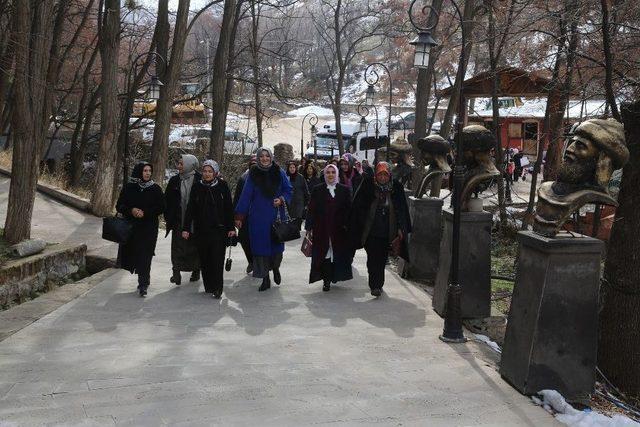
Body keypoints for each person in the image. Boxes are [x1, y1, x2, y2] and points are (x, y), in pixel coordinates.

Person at [349, 162, 412, 297]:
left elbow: (402, 209)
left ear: (389, 175)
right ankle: (374, 286)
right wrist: (359, 223)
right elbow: (358, 206)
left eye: (385, 175)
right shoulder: (368, 186)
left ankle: (379, 283)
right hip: (370, 231)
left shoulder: (396, 188)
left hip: (388, 231)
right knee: (372, 258)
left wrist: (401, 228)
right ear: (376, 175)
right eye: (380, 174)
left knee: (382, 259)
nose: (382, 178)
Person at [235, 147, 293, 292]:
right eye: (262, 156)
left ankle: (276, 268)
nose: (265, 159)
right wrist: (239, 216)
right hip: (258, 218)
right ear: (258, 158)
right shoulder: (253, 174)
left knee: (276, 250)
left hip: (276, 216)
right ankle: (265, 278)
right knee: (261, 250)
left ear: (271, 157)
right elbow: (246, 196)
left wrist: (281, 199)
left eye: (267, 156)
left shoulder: (278, 172)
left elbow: (288, 190)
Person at [182, 160, 236, 299]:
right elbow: (190, 209)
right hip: (201, 230)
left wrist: (231, 227)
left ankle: (218, 288)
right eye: (205, 171)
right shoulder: (197, 187)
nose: (207, 174)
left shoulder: (222, 186)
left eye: (210, 171)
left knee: (217, 259)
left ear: (215, 173)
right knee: (205, 259)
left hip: (219, 230)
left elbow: (228, 208)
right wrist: (186, 228)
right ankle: (209, 285)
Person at [116, 162, 165, 297]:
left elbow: (161, 207)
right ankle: (142, 278)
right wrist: (131, 210)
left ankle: (143, 283)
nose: (148, 173)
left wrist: (146, 213)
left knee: (146, 255)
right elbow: (119, 205)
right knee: (135, 254)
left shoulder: (155, 189)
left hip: (148, 228)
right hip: (132, 228)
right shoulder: (129, 188)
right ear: (139, 172)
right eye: (145, 171)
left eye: (149, 170)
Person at [305, 164, 352, 292]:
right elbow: (311, 209)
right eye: (328, 172)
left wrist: (347, 226)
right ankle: (326, 280)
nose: (330, 175)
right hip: (322, 229)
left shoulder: (344, 190)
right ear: (324, 174)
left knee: (336, 254)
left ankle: (335, 275)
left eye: (333, 172)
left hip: (339, 230)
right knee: (324, 254)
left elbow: (349, 210)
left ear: (336, 174)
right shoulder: (318, 190)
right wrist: (309, 227)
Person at [164, 154, 201, 286]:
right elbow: (167, 200)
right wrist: (169, 216)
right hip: (178, 220)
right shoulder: (174, 180)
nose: (178, 166)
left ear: (189, 164)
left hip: (195, 221)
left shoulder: (199, 179)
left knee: (194, 247)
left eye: (181, 164)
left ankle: (196, 270)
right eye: (178, 163)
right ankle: (176, 272)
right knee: (177, 247)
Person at [233, 155, 257, 274]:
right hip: (245, 215)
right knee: (244, 239)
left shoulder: (265, 178)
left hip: (259, 215)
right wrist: (236, 217)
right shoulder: (243, 179)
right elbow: (237, 198)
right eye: (252, 165)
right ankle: (251, 261)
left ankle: (259, 263)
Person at [285, 160, 310, 226]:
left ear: (296, 168)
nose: (292, 169)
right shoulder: (285, 177)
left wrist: (307, 201)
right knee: (290, 221)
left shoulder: (300, 177)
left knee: (298, 220)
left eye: (293, 167)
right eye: (290, 167)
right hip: (289, 203)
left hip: (299, 202)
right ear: (288, 168)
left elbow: (305, 190)